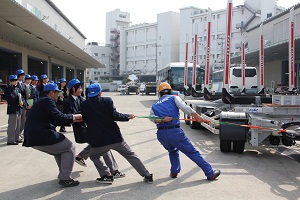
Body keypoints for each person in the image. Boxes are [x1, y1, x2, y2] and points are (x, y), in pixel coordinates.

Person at [81, 83, 153, 184]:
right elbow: (115, 116)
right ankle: (147, 175)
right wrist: (127, 116)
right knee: (130, 155)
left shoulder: (84, 104)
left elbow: (84, 119)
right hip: (114, 137)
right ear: (100, 93)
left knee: (94, 156)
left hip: (98, 140)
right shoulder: (107, 101)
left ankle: (106, 175)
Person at [150, 82, 221, 180]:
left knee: (172, 151)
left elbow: (153, 119)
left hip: (161, 134)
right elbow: (185, 108)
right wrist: (198, 117)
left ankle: (174, 172)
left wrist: (162, 119)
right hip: (174, 132)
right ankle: (210, 173)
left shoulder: (154, 105)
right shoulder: (174, 98)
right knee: (192, 152)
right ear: (170, 91)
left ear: (160, 93)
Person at [23, 83, 82, 187]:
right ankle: (65, 178)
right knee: (69, 147)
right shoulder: (47, 100)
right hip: (41, 136)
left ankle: (64, 174)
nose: (58, 95)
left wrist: (73, 119)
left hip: (34, 137)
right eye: (56, 93)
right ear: (51, 93)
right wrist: (75, 116)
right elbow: (59, 116)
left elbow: (55, 119)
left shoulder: (42, 100)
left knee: (60, 150)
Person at [64, 79, 125, 178]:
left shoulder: (81, 99)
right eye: (79, 88)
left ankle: (80, 157)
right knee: (104, 146)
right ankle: (113, 171)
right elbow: (69, 115)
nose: (81, 90)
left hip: (90, 127)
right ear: (73, 89)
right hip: (82, 128)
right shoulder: (68, 101)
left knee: (98, 145)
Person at [4, 75, 23, 145]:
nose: (16, 82)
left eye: (16, 80)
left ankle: (16, 138)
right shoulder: (8, 88)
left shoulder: (17, 88)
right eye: (14, 81)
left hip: (18, 108)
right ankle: (11, 140)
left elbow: (21, 96)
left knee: (18, 124)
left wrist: (22, 102)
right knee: (12, 125)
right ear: (11, 81)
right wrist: (17, 101)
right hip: (12, 108)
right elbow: (9, 97)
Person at [16, 69, 28, 141]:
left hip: (23, 104)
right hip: (18, 105)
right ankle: (17, 135)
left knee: (23, 120)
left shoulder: (23, 84)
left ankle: (20, 133)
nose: (23, 77)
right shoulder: (15, 84)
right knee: (18, 121)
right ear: (19, 76)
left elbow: (24, 95)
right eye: (22, 75)